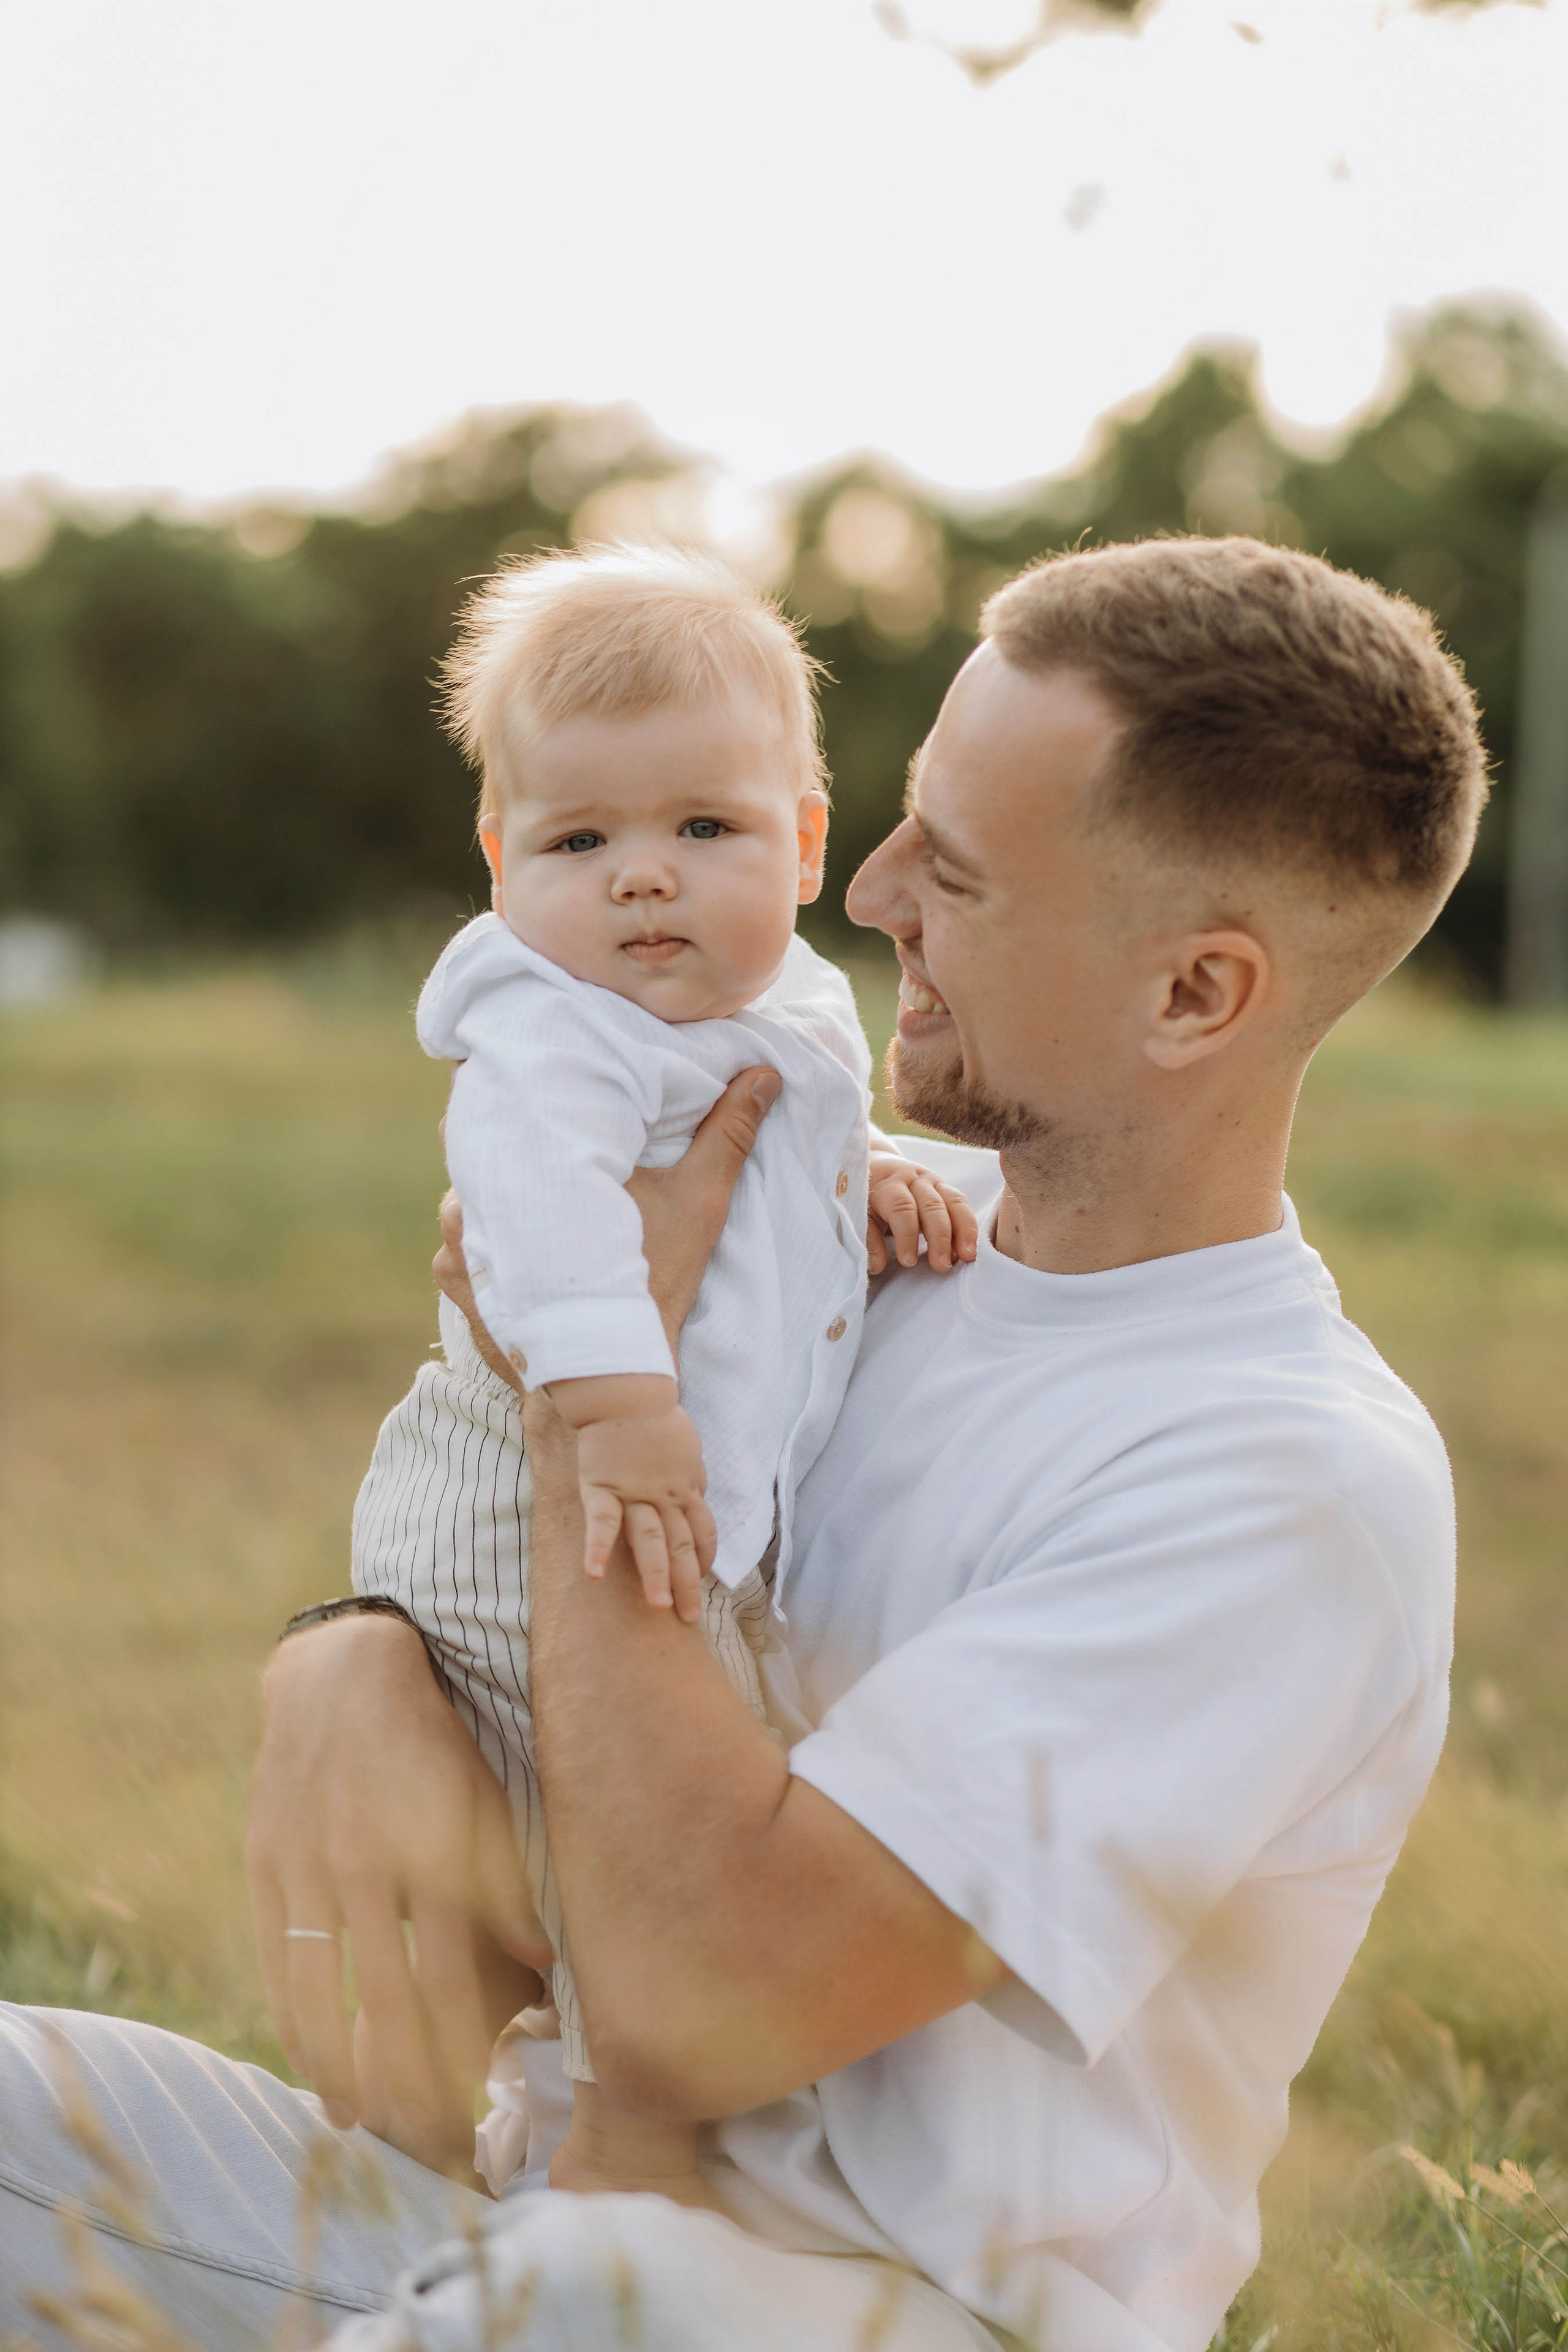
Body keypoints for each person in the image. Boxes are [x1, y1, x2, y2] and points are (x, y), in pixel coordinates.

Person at [0, 537, 1485, 2352]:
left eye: (953, 869)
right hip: (515, 2214)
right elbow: (484, 1466)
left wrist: (586, 1422)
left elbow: (700, 2007)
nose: (864, 890)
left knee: (560, 2304)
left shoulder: (1280, 1481)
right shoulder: (839, 1211)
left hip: (884, 2307)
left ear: (1195, 994)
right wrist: (353, 1660)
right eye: (896, 821)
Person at [346, 543, 973, 2203]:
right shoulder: (550, 1029)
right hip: (517, 1498)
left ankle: (494, 2130)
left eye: (704, 829)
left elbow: (772, 1142)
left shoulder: (790, 1005)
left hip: (660, 1509)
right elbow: (543, 1219)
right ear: (500, 861)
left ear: (805, 843)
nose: (642, 880)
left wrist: (865, 1179)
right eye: (581, 842)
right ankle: (589, 2156)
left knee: (647, 1814)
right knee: (606, 1833)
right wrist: (614, 1409)